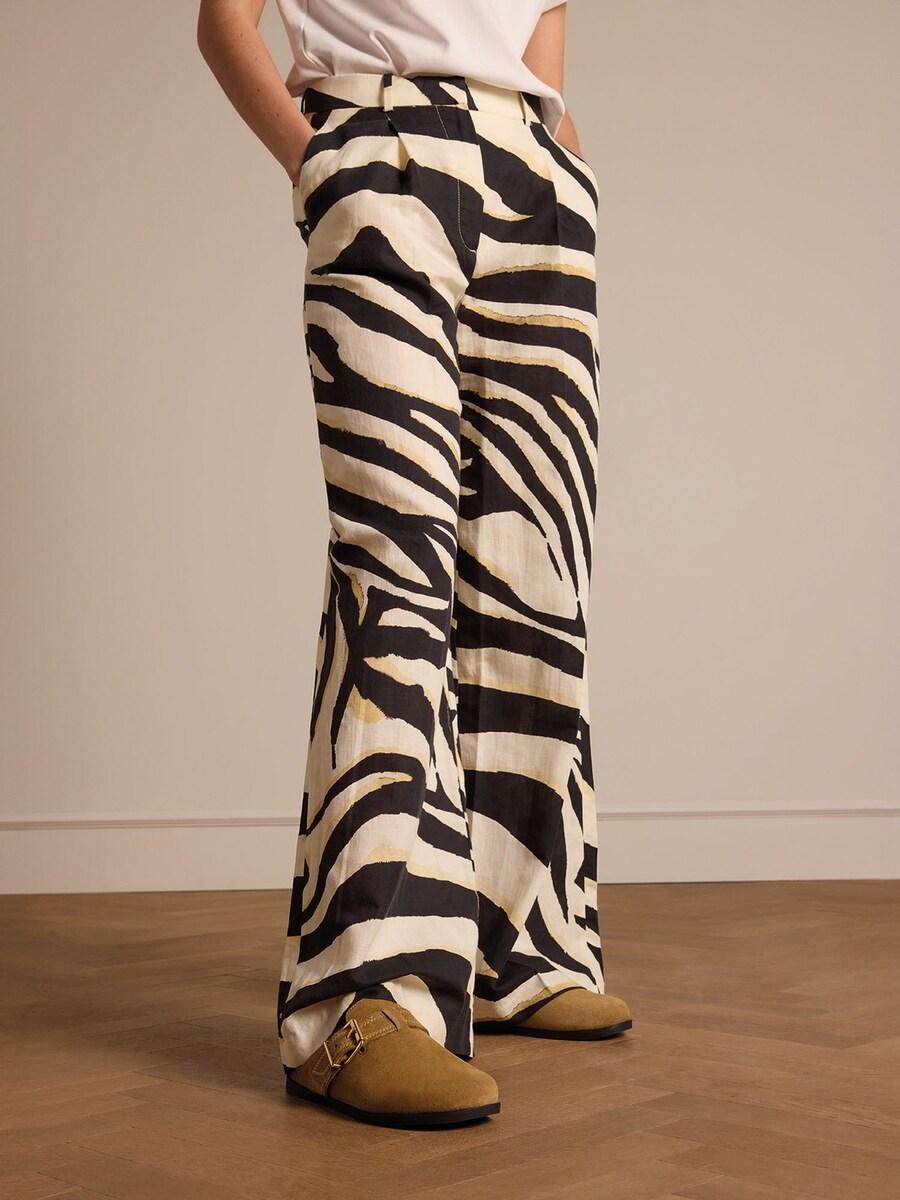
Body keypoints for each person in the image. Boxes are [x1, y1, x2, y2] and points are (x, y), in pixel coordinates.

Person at [197, 0, 632, 1129]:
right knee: (396, 569)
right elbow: (224, 21)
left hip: (537, 178)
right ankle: (362, 999)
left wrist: (563, 162)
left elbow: (542, 32)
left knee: (535, 575)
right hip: (382, 152)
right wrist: (320, 165)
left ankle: (519, 943)